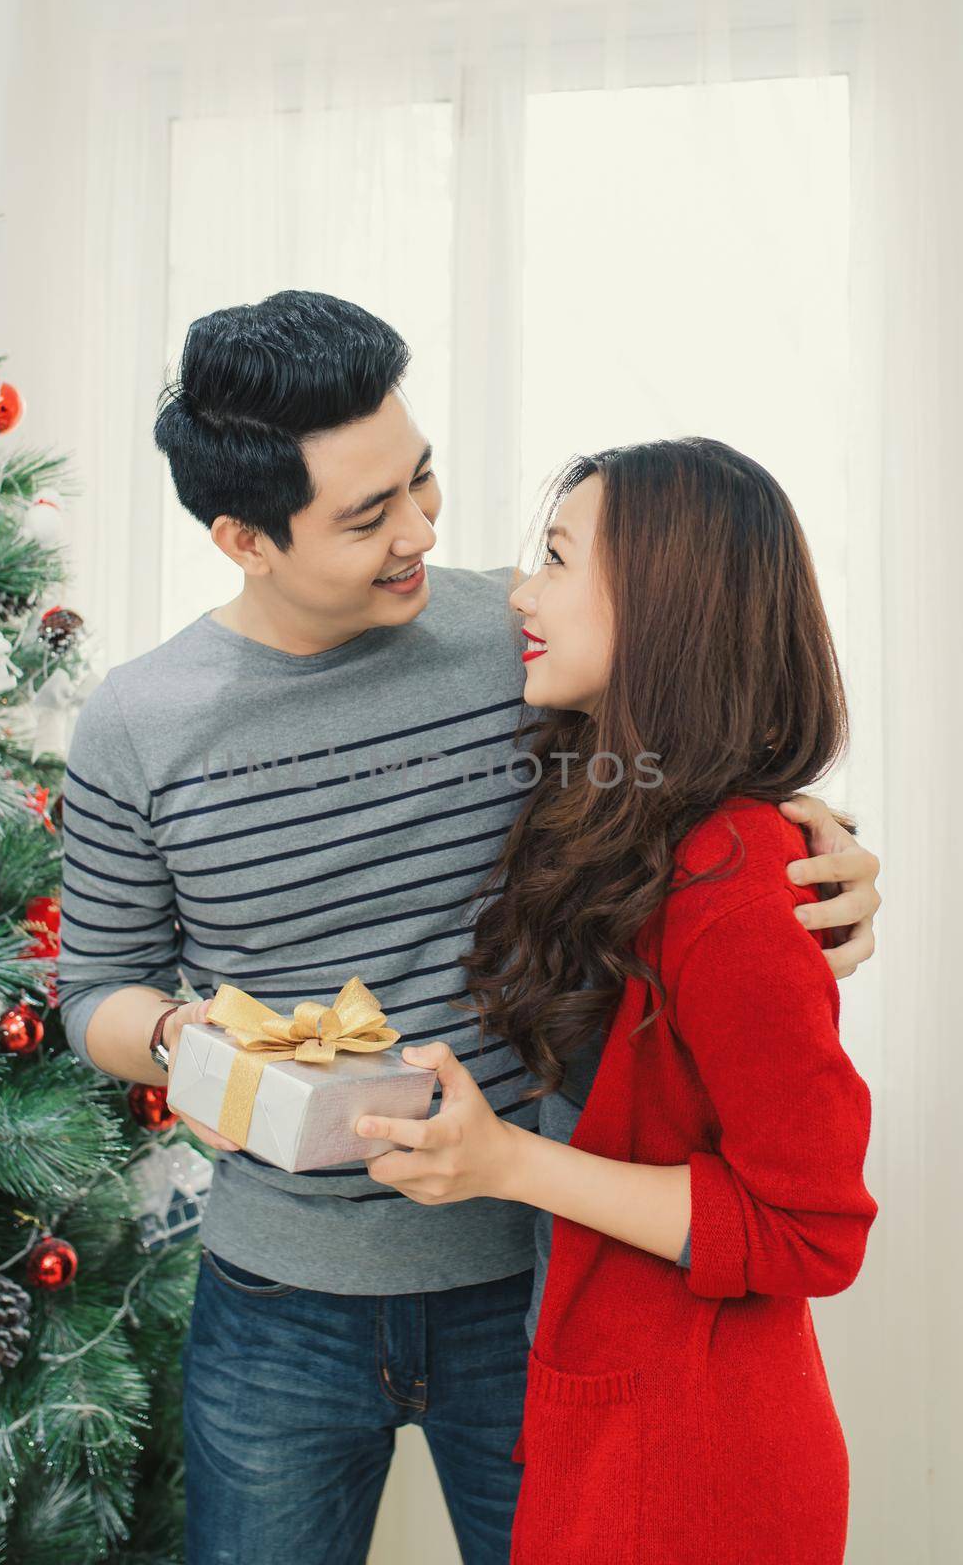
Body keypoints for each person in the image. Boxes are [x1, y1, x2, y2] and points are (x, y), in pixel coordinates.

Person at [55, 295, 881, 1565]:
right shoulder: (138, 726)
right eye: (366, 516)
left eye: (422, 479)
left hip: (541, 1277)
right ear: (243, 535)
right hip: (279, 1303)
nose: (422, 534)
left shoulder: (522, 637)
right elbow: (93, 988)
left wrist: (816, 846)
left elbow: (686, 770)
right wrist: (179, 1041)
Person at [354, 437, 879, 1565]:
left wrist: (502, 1164)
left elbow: (813, 1229)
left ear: (664, 603)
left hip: (697, 1475)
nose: (519, 593)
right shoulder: (619, 811)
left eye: (552, 558)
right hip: (613, 1426)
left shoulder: (734, 873)